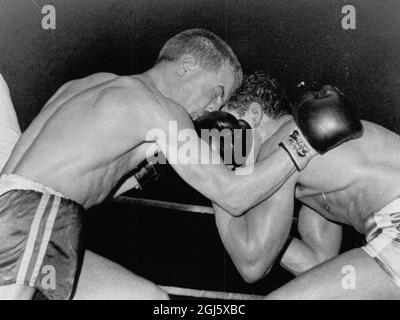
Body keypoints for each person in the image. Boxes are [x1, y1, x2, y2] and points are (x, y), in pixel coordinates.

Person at [1, 29, 347, 300]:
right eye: (217, 92)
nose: (213, 107)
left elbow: (85, 181)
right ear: (186, 66)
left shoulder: (90, 85)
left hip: (30, 213)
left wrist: (153, 166)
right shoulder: (160, 111)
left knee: (146, 297)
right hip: (33, 219)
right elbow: (234, 195)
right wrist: (302, 143)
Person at [213, 70, 400, 299]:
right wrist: (274, 238)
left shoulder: (279, 143)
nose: (223, 139)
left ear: (253, 114)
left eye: (224, 127)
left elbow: (251, 265)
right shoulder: (312, 165)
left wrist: (216, 175)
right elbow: (318, 262)